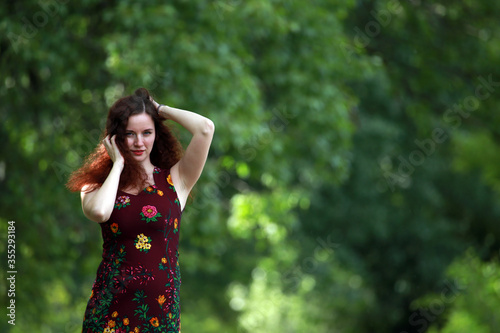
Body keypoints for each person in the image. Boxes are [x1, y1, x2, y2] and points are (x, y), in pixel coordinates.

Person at [67, 87, 214, 333]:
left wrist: (158, 110)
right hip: (108, 312)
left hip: (160, 314)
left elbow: (205, 128)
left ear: (157, 134)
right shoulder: (95, 185)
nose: (139, 142)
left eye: (147, 132)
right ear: (115, 138)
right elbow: (100, 212)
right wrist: (117, 166)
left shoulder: (176, 180)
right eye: (129, 134)